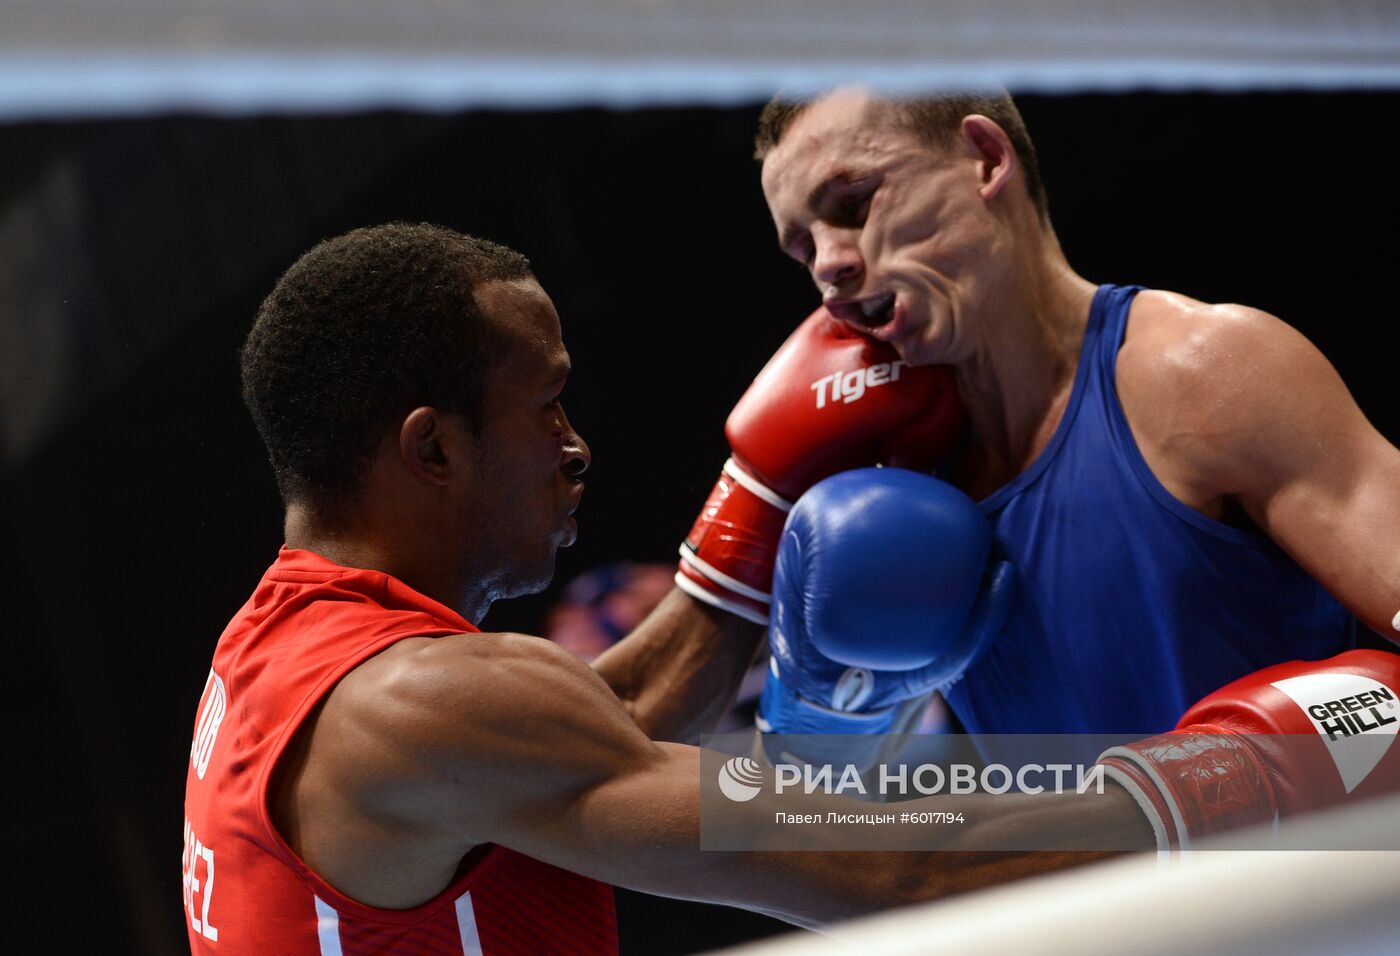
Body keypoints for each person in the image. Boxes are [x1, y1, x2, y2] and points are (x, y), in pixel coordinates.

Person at [184, 222, 1172, 954]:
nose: (574, 447)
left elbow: (603, 720)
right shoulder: (411, 707)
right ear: (432, 444)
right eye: (545, 403)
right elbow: (886, 866)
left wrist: (758, 494)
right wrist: (1219, 786)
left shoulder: (279, 650)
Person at [749, 86, 1400, 740]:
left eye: (854, 204)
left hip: (1294, 844)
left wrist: (1334, 756)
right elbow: (795, 823)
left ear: (985, 159)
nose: (830, 265)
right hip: (1050, 848)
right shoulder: (886, 477)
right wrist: (822, 727)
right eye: (803, 248)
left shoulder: (1206, 374)